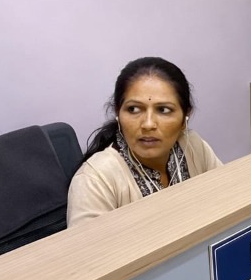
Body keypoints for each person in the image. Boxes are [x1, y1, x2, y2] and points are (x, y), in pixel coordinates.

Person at [67, 57, 222, 225]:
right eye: (133, 109)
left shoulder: (193, 146)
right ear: (118, 113)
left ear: (186, 116)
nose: (148, 124)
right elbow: (92, 251)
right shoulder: (94, 180)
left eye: (163, 110)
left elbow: (228, 200)